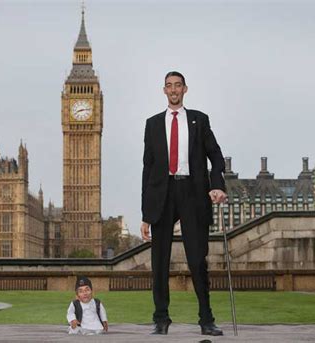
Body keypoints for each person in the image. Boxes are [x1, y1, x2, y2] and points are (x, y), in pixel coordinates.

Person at [140, 71, 227, 336]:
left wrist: (216, 185)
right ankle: (161, 319)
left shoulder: (199, 120)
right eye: (169, 86)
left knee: (197, 260)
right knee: (160, 260)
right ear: (164, 90)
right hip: (162, 194)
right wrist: (145, 214)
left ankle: (206, 319)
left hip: (192, 192)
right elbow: (148, 168)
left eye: (178, 85)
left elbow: (216, 156)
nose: (174, 90)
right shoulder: (152, 124)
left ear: (185, 89)